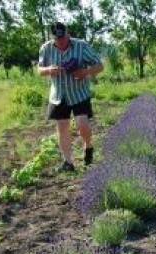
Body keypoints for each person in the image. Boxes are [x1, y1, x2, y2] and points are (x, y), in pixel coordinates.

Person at [37, 22, 104, 172]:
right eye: (57, 40)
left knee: (82, 124)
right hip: (58, 95)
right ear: (52, 37)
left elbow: (99, 65)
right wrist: (49, 69)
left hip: (79, 93)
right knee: (62, 127)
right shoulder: (46, 48)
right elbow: (39, 69)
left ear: (68, 34)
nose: (61, 42)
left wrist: (84, 72)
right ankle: (68, 162)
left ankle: (88, 146)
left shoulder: (81, 46)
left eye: (63, 38)